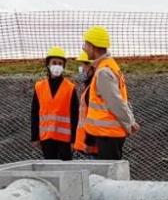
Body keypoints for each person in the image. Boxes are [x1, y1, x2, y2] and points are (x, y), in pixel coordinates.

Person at [81, 26, 139, 160]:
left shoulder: (103, 72)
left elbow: (116, 102)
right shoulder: (110, 66)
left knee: (110, 178)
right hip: (109, 134)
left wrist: (130, 124)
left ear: (92, 46)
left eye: (86, 44)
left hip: (108, 135)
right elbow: (122, 99)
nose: (84, 48)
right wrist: (130, 120)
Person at [30, 47, 79, 161]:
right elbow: (35, 112)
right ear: (48, 64)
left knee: (66, 170)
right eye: (54, 63)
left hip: (65, 140)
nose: (57, 66)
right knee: (50, 169)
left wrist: (74, 140)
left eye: (60, 63)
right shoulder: (39, 87)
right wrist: (35, 136)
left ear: (63, 66)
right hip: (46, 139)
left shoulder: (70, 87)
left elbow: (75, 115)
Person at [73, 50, 97, 157]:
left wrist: (89, 142)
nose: (82, 68)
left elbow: (92, 118)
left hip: (90, 146)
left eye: (86, 64)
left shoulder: (92, 89)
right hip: (87, 145)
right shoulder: (88, 88)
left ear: (94, 66)